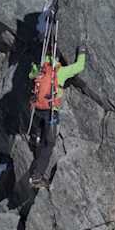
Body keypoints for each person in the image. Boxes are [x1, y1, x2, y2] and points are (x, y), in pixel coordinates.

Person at [26, 46, 86, 188]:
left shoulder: (39, 68)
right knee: (50, 144)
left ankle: (37, 136)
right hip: (51, 111)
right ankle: (37, 177)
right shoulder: (60, 72)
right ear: (58, 59)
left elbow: (30, 76)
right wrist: (82, 52)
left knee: (42, 134)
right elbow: (79, 67)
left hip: (37, 109)